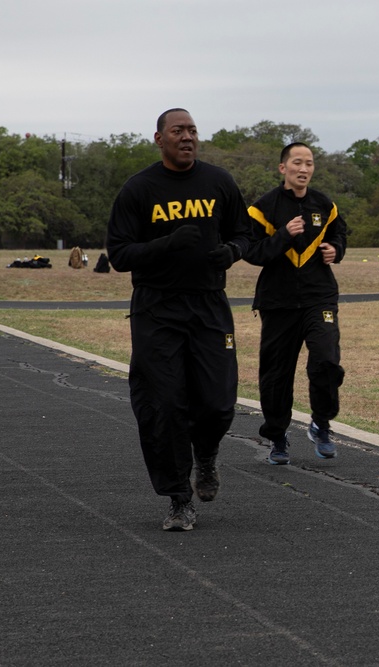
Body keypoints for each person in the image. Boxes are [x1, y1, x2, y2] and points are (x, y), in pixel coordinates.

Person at [106, 108, 254, 531]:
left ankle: (205, 454)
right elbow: (119, 255)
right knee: (164, 403)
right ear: (159, 139)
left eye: (191, 130)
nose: (187, 137)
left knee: (218, 400)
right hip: (157, 308)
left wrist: (233, 251)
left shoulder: (219, 181)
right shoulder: (139, 188)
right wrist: (168, 243)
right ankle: (178, 498)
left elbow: (245, 234)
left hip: (209, 304)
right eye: (178, 131)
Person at [244, 143, 348, 466]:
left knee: (327, 359)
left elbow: (339, 234)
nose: (304, 169)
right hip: (278, 302)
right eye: (297, 163)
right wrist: (284, 236)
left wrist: (336, 250)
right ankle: (277, 436)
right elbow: (251, 252)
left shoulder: (325, 205)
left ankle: (321, 423)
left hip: (319, 297)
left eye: (310, 164)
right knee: (276, 375)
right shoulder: (263, 208)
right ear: (283, 168)